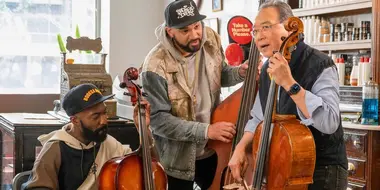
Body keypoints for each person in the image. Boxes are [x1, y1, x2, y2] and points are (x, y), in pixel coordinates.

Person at [228, 1, 348, 190]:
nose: (259, 37)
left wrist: (289, 84)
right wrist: (240, 147)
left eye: (266, 27)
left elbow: (330, 122)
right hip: (284, 169)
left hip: (323, 172)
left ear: (289, 26)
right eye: (255, 31)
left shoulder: (320, 64)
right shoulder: (269, 67)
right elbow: (258, 116)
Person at [140, 0, 248, 189]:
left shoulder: (211, 39)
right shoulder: (155, 66)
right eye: (185, 31)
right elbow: (159, 121)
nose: (195, 35)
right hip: (178, 160)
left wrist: (240, 72)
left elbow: (220, 75)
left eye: (197, 26)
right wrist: (207, 130)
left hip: (214, 149)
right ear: (169, 31)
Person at [22, 83, 156, 190]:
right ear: (74, 120)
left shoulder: (108, 143)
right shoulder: (55, 148)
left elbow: (144, 166)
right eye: (96, 116)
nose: (104, 121)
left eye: (105, 113)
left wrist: (143, 128)